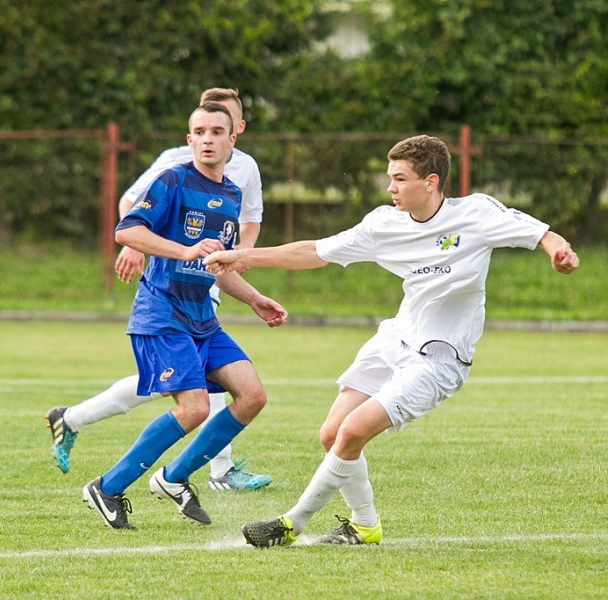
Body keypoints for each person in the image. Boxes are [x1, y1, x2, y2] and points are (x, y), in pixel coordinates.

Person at [204, 134, 580, 547]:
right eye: (390, 178)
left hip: (440, 358)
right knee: (332, 434)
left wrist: (559, 254)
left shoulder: (475, 214)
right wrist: (244, 257)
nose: (391, 188)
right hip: (396, 341)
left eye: (400, 179)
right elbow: (314, 251)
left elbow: (541, 233)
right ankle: (364, 526)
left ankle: (292, 523)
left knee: (352, 432)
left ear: (431, 181)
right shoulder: (384, 223)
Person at [46, 88, 272, 491]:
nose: (210, 137)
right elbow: (130, 219)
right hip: (166, 302)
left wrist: (250, 287)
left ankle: (176, 473)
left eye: (221, 128)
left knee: (234, 393)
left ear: (236, 132)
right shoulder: (173, 170)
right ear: (190, 137)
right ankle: (126, 479)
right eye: (201, 130)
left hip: (203, 302)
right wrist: (143, 246)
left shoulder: (239, 182)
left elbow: (237, 234)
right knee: (189, 398)